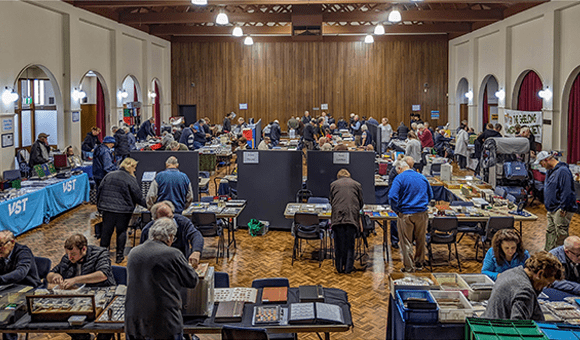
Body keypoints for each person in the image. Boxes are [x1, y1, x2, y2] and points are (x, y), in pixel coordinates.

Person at [125, 218, 198, 340]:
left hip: (134, 322)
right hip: (164, 322)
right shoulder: (173, 254)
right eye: (173, 238)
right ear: (169, 236)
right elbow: (192, 280)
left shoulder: (133, 252)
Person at [483, 251, 564, 321]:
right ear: (540, 273)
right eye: (548, 283)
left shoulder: (511, 272)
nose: (547, 287)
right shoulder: (525, 290)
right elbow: (519, 328)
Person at [97, 158, 146, 263]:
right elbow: (138, 196)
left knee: (106, 231)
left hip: (107, 208)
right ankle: (119, 256)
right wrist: (149, 206)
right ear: (130, 166)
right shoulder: (130, 179)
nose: (135, 170)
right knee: (121, 231)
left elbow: (99, 191)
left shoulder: (109, 175)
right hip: (123, 210)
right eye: (134, 168)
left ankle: (102, 256)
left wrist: (99, 208)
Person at [389, 161, 433, 272]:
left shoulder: (399, 178)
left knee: (406, 242)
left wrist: (397, 210)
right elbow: (431, 195)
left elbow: (392, 196)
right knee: (420, 240)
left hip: (406, 213)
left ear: (399, 168)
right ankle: (419, 264)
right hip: (422, 213)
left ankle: (409, 267)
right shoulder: (422, 177)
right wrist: (422, 205)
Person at [140, 201, 204, 268]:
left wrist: (196, 251)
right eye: (164, 220)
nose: (169, 222)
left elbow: (196, 235)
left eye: (170, 217)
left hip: (181, 263)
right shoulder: (147, 230)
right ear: (155, 220)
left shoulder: (182, 222)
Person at [536, 151, 578, 250]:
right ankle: (548, 254)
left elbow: (567, 191)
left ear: (547, 160)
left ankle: (559, 257)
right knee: (550, 232)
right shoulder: (550, 171)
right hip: (551, 208)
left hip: (560, 210)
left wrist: (563, 207)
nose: (541, 165)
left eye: (541, 163)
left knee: (560, 235)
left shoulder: (563, 171)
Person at [47, 234, 115, 288]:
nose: (70, 257)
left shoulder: (100, 253)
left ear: (84, 249)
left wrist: (75, 280)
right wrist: (54, 276)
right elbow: (50, 274)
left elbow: (102, 275)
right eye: (67, 254)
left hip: (100, 291)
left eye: (73, 254)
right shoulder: (67, 258)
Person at [330, 169, 364, 274]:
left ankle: (339, 267)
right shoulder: (357, 184)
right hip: (351, 218)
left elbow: (331, 200)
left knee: (338, 243)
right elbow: (361, 202)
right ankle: (348, 268)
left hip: (337, 217)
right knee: (350, 244)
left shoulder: (333, 185)